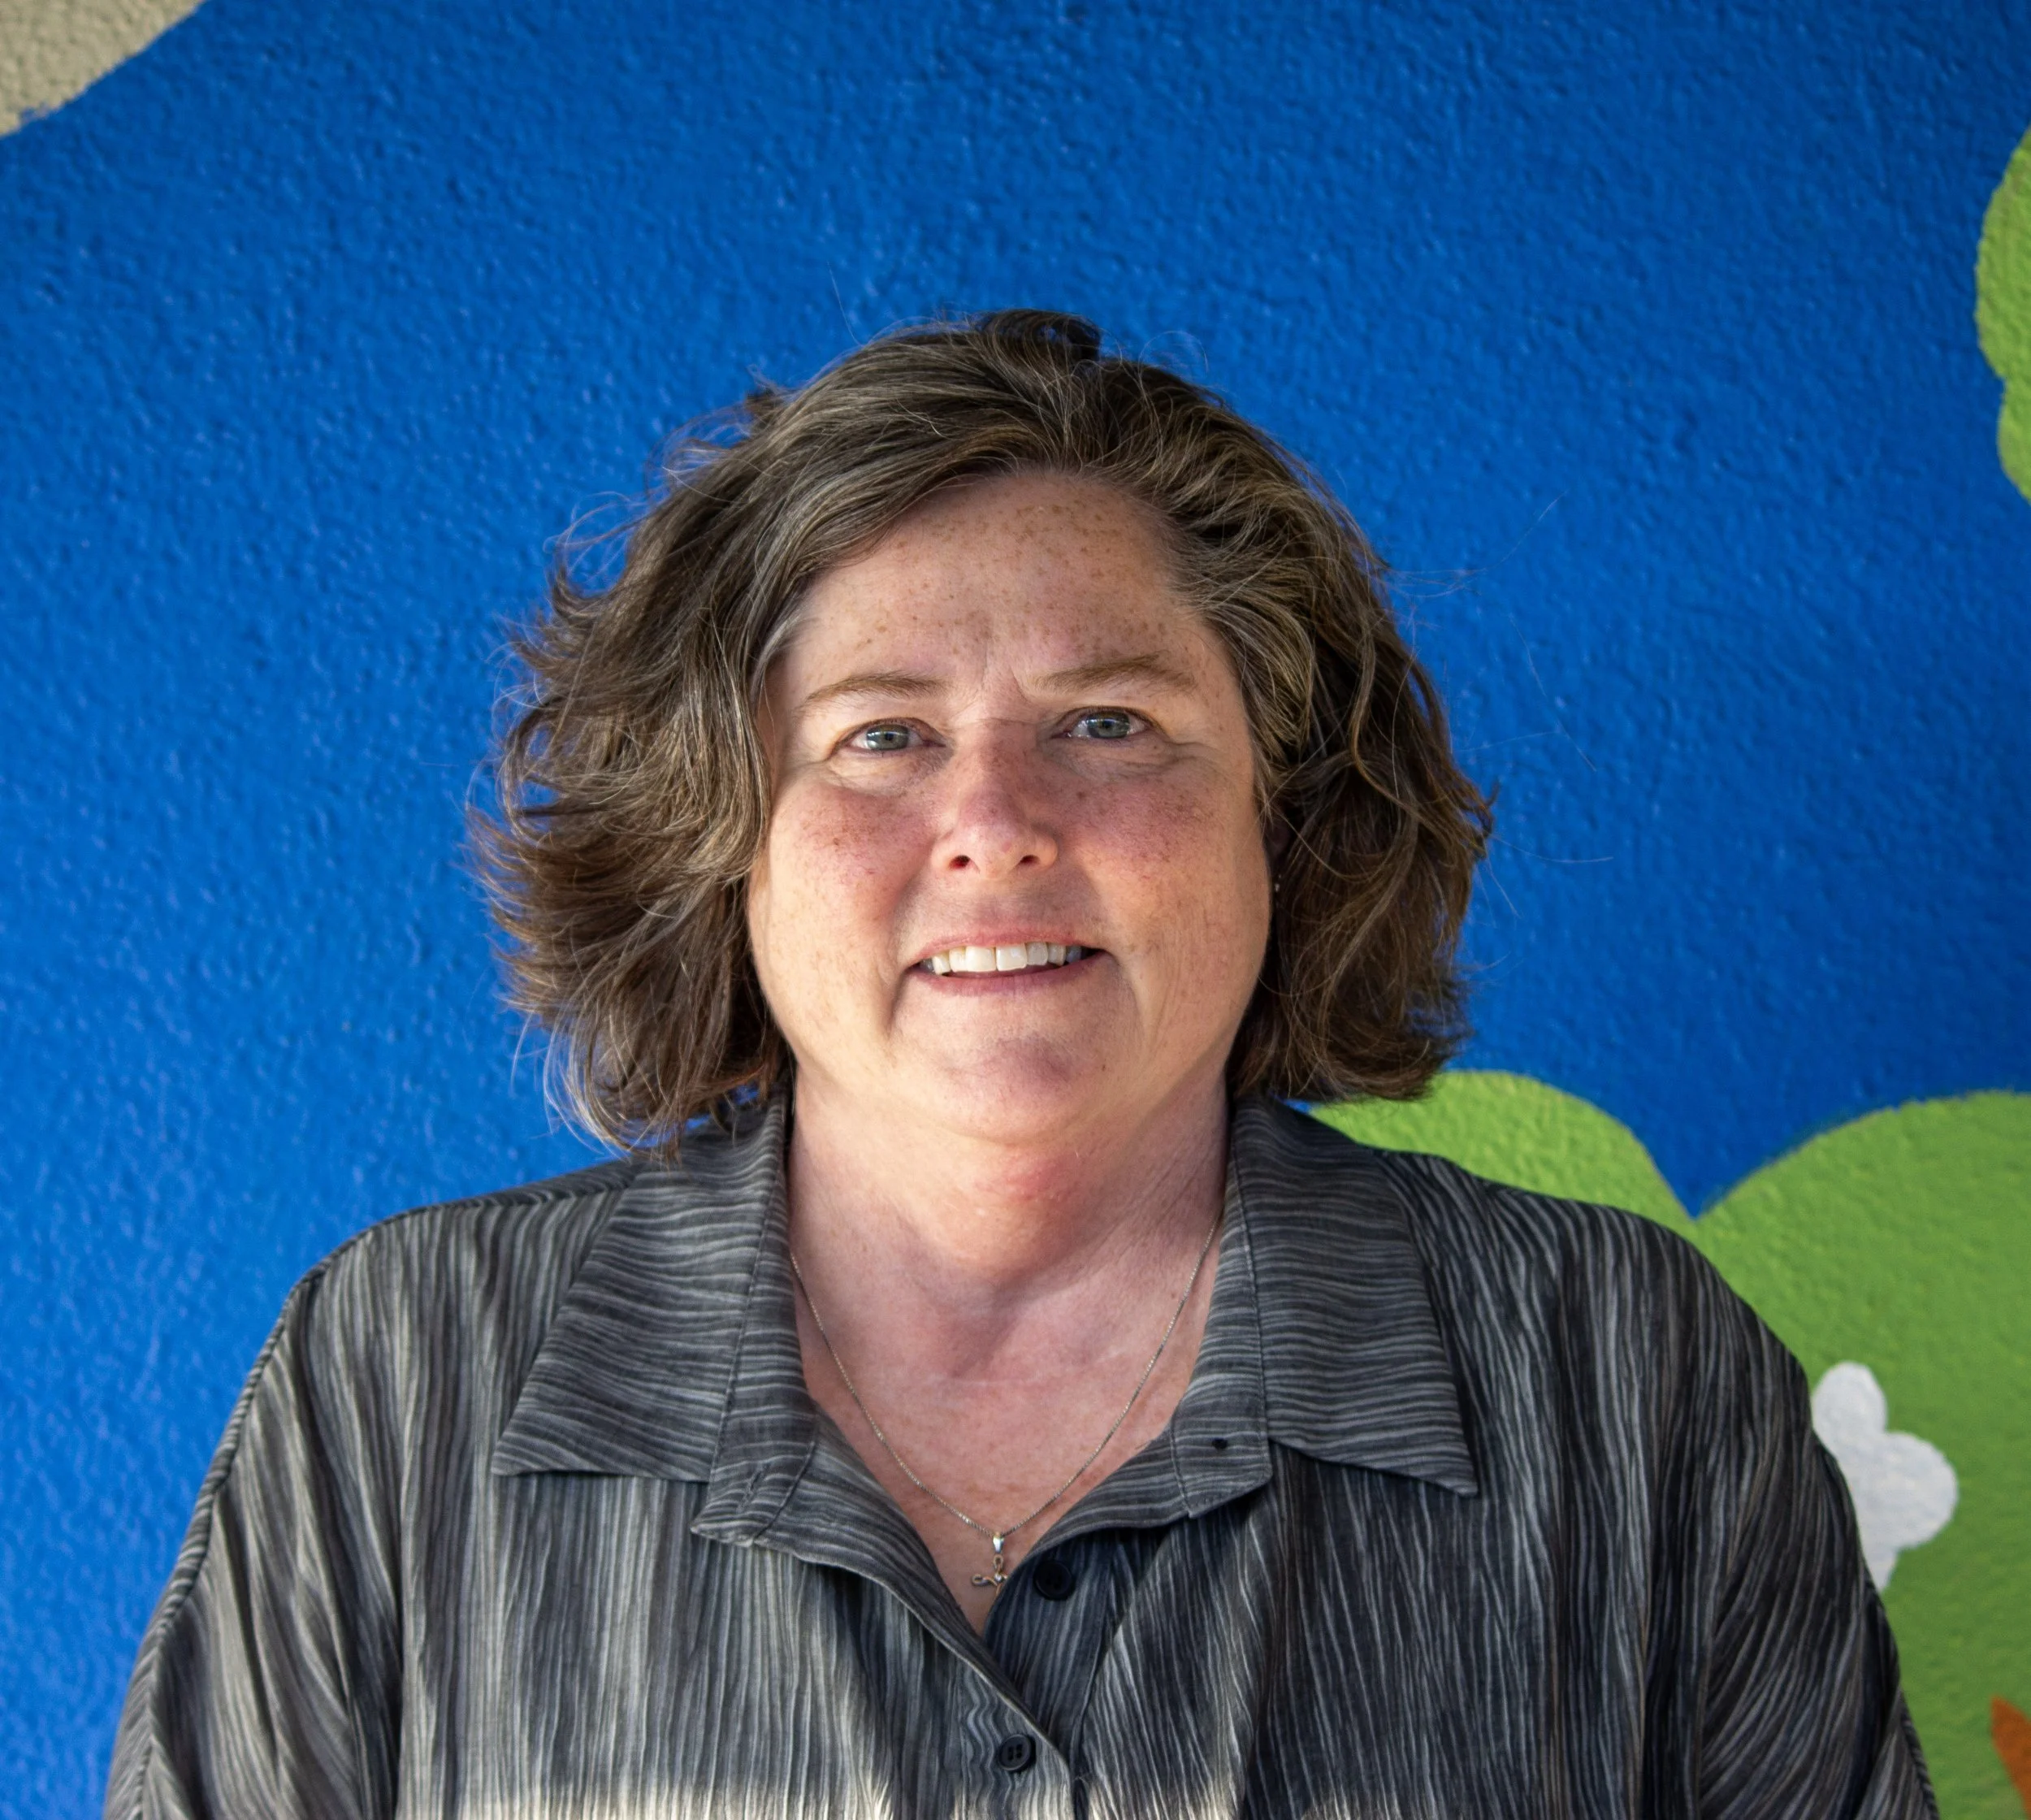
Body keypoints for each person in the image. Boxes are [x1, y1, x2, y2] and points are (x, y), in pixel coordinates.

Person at [106, 311, 1935, 1818]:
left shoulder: (1618, 1373)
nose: (993, 820)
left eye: (1108, 722)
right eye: (881, 734)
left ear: (1283, 816)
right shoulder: (406, 1373)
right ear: (721, 836)